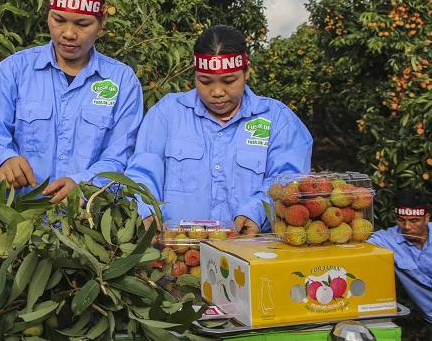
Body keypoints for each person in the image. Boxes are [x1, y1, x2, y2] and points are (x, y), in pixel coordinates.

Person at [0, 0, 144, 203]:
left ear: (102, 20)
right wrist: (3, 159)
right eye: (59, 20)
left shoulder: (123, 83)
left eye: (82, 24)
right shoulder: (13, 71)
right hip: (17, 221)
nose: (68, 33)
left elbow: (120, 157)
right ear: (48, 14)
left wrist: (85, 185)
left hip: (89, 226)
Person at [125, 25, 312, 235]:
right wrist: (144, 209)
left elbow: (289, 183)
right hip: (175, 255)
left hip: (251, 254)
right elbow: (142, 172)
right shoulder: (167, 113)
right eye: (204, 81)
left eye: (229, 81)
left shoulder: (278, 120)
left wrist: (255, 212)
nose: (216, 92)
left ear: (246, 71)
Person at [369, 189, 431, 327]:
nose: (407, 227)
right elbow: (360, 247)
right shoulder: (386, 240)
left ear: (426, 218)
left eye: (414, 220)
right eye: (401, 220)